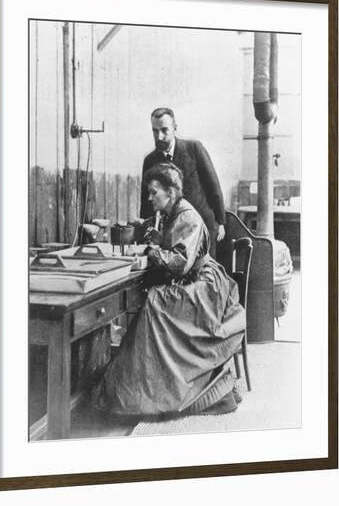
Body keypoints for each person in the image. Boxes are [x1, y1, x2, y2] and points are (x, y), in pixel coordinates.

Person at [92, 163, 246, 417]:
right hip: (196, 280)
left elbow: (179, 263)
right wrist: (157, 240)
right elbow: (176, 249)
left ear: (171, 192)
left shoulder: (186, 216)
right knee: (155, 299)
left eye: (154, 193)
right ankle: (141, 382)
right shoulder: (173, 213)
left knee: (155, 302)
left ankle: (156, 391)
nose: (150, 198)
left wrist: (153, 252)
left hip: (205, 286)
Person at [140, 107, 225, 257]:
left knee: (200, 270)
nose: (159, 136)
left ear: (175, 129)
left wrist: (221, 222)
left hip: (203, 224)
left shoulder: (194, 149)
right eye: (155, 131)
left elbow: (213, 185)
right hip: (173, 229)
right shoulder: (150, 160)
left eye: (164, 130)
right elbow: (146, 200)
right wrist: (145, 229)